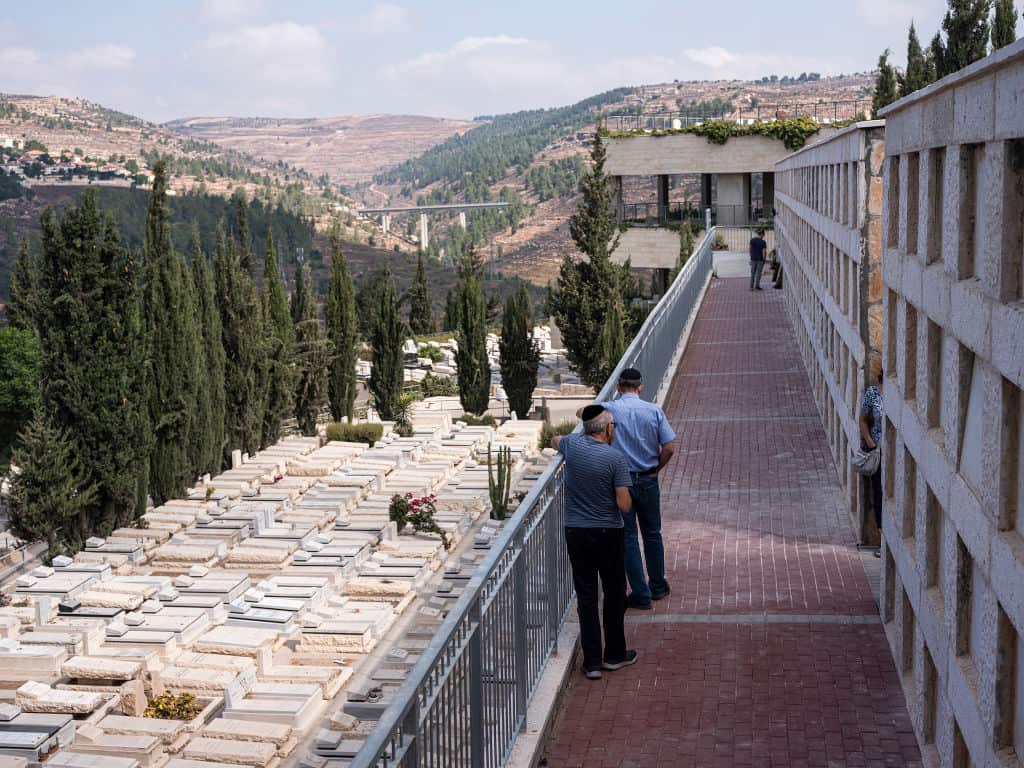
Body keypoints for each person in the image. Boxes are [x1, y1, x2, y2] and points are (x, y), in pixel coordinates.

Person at [551, 404, 638, 680]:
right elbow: (624, 506)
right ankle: (614, 655)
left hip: (576, 531)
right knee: (614, 593)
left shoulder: (572, 447)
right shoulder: (615, 459)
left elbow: (554, 440)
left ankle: (591, 663)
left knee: (586, 595)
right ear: (608, 429)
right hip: (607, 533)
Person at [600, 368, 676, 610]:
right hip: (647, 480)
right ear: (640, 388)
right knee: (653, 533)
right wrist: (656, 469)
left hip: (622, 482)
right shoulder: (653, 410)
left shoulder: (610, 410)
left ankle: (640, 594)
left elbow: (583, 413)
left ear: (619, 387)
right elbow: (670, 447)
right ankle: (658, 586)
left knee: (629, 537)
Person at [859, 361, 884, 556]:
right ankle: (883, 540)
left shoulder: (898, 393)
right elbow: (863, 420)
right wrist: (870, 442)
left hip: (897, 454)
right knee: (879, 493)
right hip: (878, 453)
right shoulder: (873, 393)